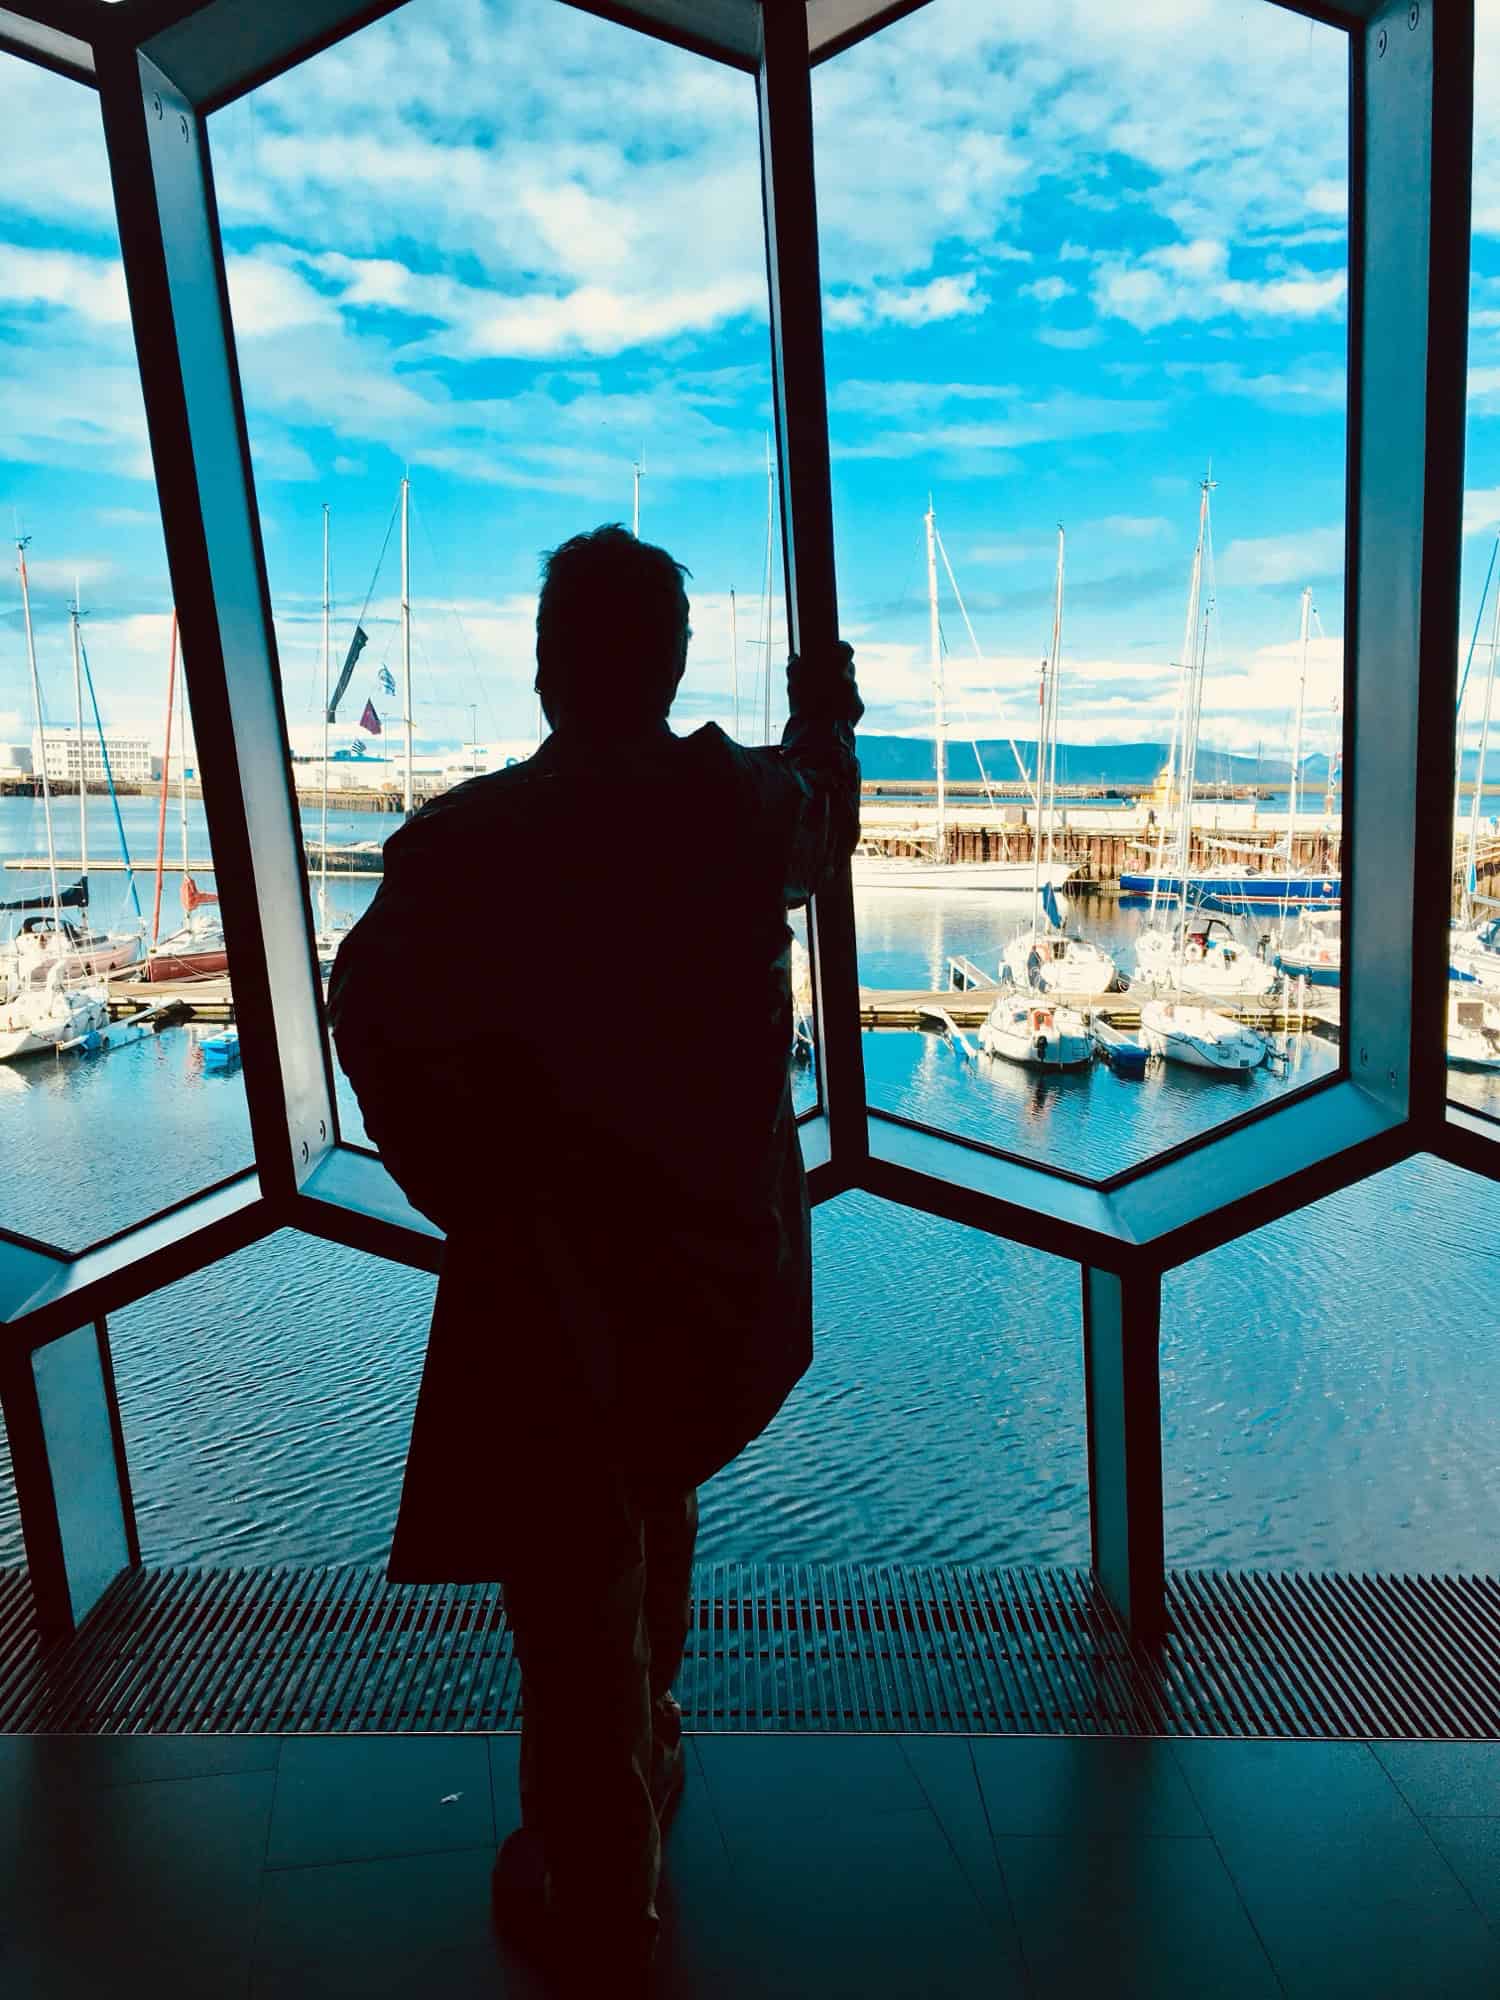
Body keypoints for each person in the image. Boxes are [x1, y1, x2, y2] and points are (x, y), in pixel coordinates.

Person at [327, 523, 862, 1992]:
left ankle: (603, 1903)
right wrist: (828, 713)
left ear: (548, 666)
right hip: (712, 1266)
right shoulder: (741, 813)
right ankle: (656, 1739)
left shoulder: (466, 845)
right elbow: (825, 814)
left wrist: (470, 1193)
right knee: (659, 1492)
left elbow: (369, 1017)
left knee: (569, 1594)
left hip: (551, 1280)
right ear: (673, 665)